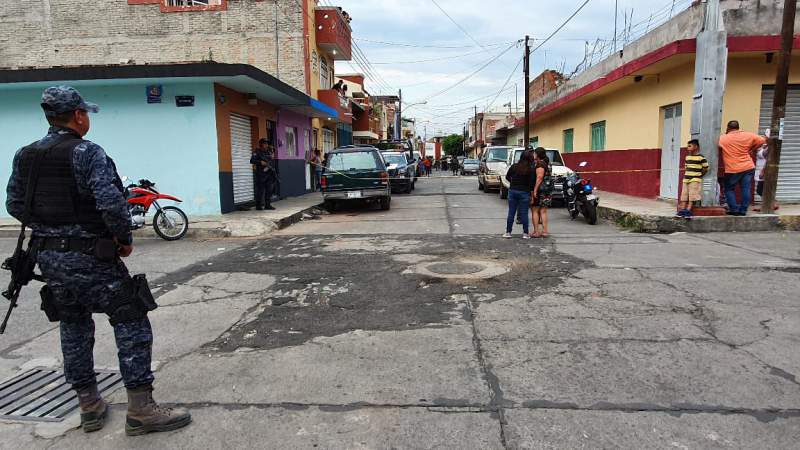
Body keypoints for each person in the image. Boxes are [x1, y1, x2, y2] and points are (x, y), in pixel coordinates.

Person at [5, 86, 191, 435]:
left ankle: (89, 405)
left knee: (73, 325)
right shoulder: (87, 152)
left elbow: (14, 205)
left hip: (49, 258)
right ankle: (141, 409)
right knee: (130, 318)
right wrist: (123, 240)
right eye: (85, 113)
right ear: (78, 116)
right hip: (91, 256)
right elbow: (111, 204)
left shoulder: (25, 154)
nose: (87, 118)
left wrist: (49, 227)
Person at [718, 120, 766, 216]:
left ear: (728, 128)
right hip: (748, 167)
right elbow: (762, 140)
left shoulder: (723, 138)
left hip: (732, 169)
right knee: (746, 189)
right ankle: (743, 210)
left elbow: (716, 146)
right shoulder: (748, 135)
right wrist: (752, 149)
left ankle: (734, 209)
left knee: (729, 189)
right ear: (738, 127)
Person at [503, 150, 535, 238]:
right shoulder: (531, 169)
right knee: (524, 213)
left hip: (513, 191)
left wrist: (513, 183)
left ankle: (508, 232)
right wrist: (531, 193)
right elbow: (532, 183)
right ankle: (525, 233)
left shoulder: (514, 167)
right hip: (524, 192)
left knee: (511, 212)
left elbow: (507, 177)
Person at [676, 139, 709, 218]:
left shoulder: (701, 157)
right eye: (687, 146)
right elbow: (686, 167)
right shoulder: (687, 157)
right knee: (684, 194)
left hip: (695, 179)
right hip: (686, 179)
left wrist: (700, 174)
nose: (688, 147)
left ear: (696, 147)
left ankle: (688, 210)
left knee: (692, 195)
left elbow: (705, 167)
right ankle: (682, 210)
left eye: (690, 146)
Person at [530, 147, 553, 238]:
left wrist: (535, 190)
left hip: (540, 191)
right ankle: (545, 231)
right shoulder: (547, 163)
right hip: (546, 190)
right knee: (543, 211)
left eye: (535, 153)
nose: (533, 155)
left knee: (535, 210)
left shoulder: (540, 164)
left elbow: (539, 178)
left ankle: (536, 231)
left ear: (538, 155)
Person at [250, 139, 277, 210]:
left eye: (267, 144)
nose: (266, 145)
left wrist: (271, 158)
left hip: (269, 174)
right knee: (260, 191)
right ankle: (258, 206)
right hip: (260, 174)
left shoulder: (268, 152)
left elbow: (271, 161)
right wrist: (260, 162)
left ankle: (267, 205)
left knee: (269, 190)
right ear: (261, 144)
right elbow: (252, 160)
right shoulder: (257, 152)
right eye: (264, 144)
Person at [753, 141, 780, 212]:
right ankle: (766, 205)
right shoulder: (765, 147)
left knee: (760, 190)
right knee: (762, 190)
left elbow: (768, 160)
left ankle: (773, 203)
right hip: (762, 171)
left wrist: (763, 171)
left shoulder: (768, 149)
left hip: (765, 172)